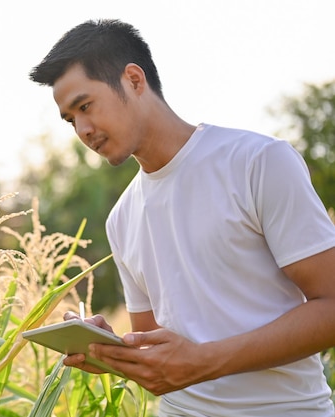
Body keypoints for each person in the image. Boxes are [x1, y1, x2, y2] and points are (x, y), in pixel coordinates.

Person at [29, 19, 335, 416]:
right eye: (71, 120)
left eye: (85, 106)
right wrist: (111, 352)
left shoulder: (257, 162)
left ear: (134, 80)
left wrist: (205, 361)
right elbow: (161, 351)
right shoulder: (122, 217)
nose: (83, 130)